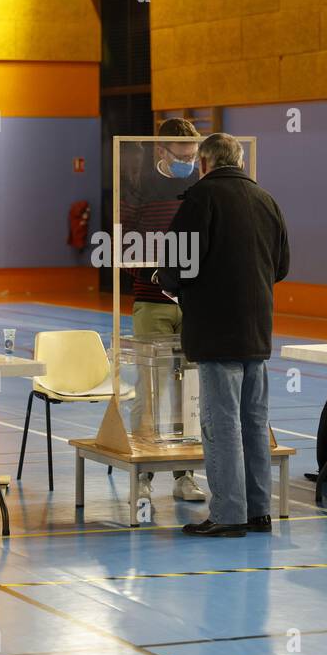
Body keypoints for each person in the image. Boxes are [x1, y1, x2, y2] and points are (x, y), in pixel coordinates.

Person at [152, 133, 290, 537]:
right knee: (254, 420)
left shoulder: (200, 199)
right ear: (241, 161)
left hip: (215, 329)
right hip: (257, 329)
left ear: (205, 163)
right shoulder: (267, 201)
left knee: (220, 422)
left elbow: (178, 262)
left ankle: (229, 514)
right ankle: (258, 510)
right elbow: (281, 266)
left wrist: (169, 281)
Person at [120, 118, 206, 502]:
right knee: (149, 390)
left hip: (195, 302)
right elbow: (123, 241)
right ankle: (143, 473)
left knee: (189, 390)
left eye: (193, 156)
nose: (188, 162)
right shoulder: (140, 187)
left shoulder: (201, 186)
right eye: (182, 156)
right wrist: (150, 263)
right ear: (162, 151)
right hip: (151, 301)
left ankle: (185, 476)